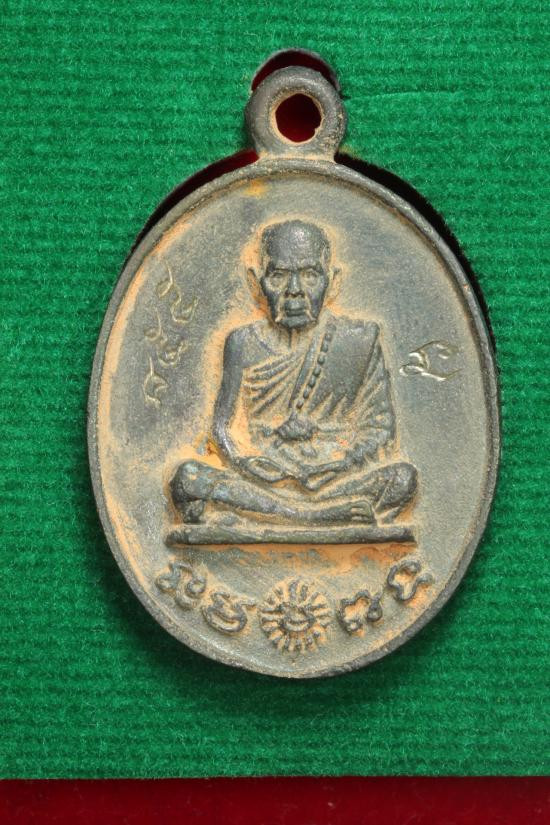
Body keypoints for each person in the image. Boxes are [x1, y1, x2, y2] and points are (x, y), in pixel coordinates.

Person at [171, 220, 416, 528]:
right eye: (279, 275)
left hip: (331, 480)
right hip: (264, 478)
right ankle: (313, 516)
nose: (295, 290)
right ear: (256, 283)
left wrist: (339, 464)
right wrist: (245, 462)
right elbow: (223, 428)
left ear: (332, 281)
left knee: (402, 479)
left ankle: (278, 514)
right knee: (188, 477)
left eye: (310, 275)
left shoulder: (359, 340)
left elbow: (380, 429)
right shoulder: (242, 343)